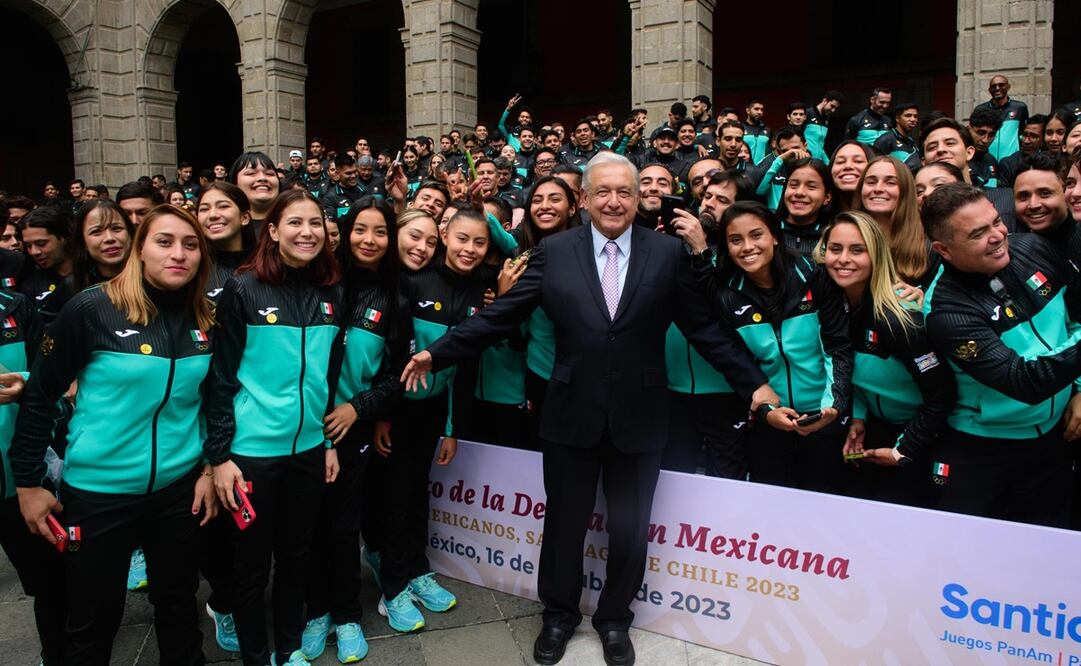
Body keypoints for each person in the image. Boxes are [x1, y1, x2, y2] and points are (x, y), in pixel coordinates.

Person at [402, 153, 777, 666]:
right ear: (585, 198)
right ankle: (558, 615)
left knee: (630, 525)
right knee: (564, 524)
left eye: (625, 190)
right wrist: (435, 352)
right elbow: (503, 314)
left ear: (637, 195)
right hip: (569, 415)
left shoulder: (666, 254)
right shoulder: (555, 251)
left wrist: (754, 385)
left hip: (641, 417)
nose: (614, 201)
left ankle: (615, 619)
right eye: (602, 191)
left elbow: (703, 329)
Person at [12, 205, 217, 664]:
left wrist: (208, 465)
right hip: (99, 494)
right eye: (164, 242)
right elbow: (40, 395)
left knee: (180, 611)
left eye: (190, 245)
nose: (178, 254)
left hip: (177, 491)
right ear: (140, 248)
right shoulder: (91, 309)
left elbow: (210, 401)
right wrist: (27, 483)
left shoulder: (205, 317)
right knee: (92, 621)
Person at [205, 189, 344, 666]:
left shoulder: (332, 291)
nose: (307, 233)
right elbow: (219, 380)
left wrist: (326, 442)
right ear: (273, 230)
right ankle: (256, 657)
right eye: (295, 223)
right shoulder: (242, 289)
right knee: (249, 566)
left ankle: (288, 651)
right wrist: (219, 457)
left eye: (315, 224)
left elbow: (328, 377)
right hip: (251, 455)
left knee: (296, 557)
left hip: (307, 450)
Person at [920, 183, 1081, 527]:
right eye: (978, 233)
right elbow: (1025, 382)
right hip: (984, 448)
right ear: (943, 250)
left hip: (1055, 438)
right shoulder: (947, 311)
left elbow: (1077, 316)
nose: (997, 236)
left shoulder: (1034, 247)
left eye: (996, 222)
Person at [301, 197, 410, 663]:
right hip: (302, 430)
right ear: (344, 233)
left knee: (345, 530)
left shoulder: (393, 295)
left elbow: (396, 377)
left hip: (351, 430)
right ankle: (315, 610)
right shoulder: (317, 283)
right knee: (306, 530)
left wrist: (356, 409)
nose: (369, 240)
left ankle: (347, 615)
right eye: (360, 230)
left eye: (380, 231)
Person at [375, 207, 492, 634]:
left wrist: (452, 429)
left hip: (433, 412)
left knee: (419, 495)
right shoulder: (411, 279)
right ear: (445, 235)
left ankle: (416, 570)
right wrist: (381, 417)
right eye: (462, 239)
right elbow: (387, 356)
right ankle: (392, 589)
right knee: (395, 499)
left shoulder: (483, 288)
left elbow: (467, 366)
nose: (470, 249)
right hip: (397, 410)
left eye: (479, 243)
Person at [710, 200, 852, 494]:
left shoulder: (815, 274)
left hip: (824, 417)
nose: (747, 246)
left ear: (775, 235)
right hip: (770, 423)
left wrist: (833, 408)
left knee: (823, 507)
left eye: (756, 235)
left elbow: (837, 348)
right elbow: (741, 364)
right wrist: (768, 412)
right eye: (735, 240)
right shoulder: (727, 295)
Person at [819, 212, 955, 506]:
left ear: (877, 255)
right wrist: (858, 417)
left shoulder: (900, 318)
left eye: (857, 250)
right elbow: (849, 371)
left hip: (919, 432)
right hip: (873, 424)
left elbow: (941, 394)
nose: (843, 259)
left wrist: (904, 449)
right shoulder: (831, 304)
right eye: (835, 249)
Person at [0, 287, 64, 665]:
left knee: (51, 583)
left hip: (18, 478)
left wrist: (24, 380)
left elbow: (53, 373)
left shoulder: (14, 305)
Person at [855, 156, 937, 286]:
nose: (878, 188)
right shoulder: (842, 238)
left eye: (891, 183)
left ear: (906, 190)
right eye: (871, 182)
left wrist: (921, 296)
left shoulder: (929, 248)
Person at [20, 205, 75, 325]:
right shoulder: (30, 285)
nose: (34, 252)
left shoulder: (94, 274)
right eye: (28, 246)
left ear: (63, 237)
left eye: (41, 243)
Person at [68, 199, 134, 292]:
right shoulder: (71, 288)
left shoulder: (153, 280)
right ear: (83, 242)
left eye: (116, 228)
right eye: (96, 232)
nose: (109, 238)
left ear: (130, 234)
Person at [775, 157, 834, 256]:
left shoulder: (832, 237)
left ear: (827, 197)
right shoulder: (769, 230)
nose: (799, 192)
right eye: (793, 185)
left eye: (811, 187)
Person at [973, 74, 1029, 162]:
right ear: (989, 90)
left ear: (1008, 87)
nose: (997, 88)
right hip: (986, 160)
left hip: (1011, 161)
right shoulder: (981, 109)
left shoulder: (1019, 108)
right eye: (993, 86)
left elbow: (1023, 133)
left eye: (1001, 85)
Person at [751, 126, 808, 209]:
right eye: (785, 151)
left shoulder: (814, 168)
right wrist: (780, 160)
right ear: (779, 151)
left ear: (805, 146)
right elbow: (759, 190)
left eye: (795, 148)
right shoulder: (774, 167)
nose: (791, 153)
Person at [229, 151, 281, 239]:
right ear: (235, 183)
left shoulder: (295, 222)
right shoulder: (226, 228)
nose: (262, 178)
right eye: (251, 173)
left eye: (269, 174)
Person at [998, 114, 1047, 188]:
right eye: (1025, 135)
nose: (1026, 141)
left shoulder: (1052, 161)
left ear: (1044, 138)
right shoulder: (1008, 164)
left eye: (1033, 136)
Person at [873, 101, 921, 171]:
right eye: (908, 116)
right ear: (897, 118)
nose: (913, 119)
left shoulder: (911, 141)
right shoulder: (886, 139)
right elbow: (875, 166)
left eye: (915, 116)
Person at [829, 140, 873, 212]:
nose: (848, 166)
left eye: (858, 161)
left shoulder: (885, 216)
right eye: (840, 162)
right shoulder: (819, 218)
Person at [966, 107, 1002, 187]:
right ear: (969, 129)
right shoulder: (957, 158)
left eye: (991, 135)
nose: (985, 140)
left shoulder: (991, 160)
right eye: (981, 133)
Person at [804, 90, 843, 162]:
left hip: (818, 161)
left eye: (835, 108)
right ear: (825, 101)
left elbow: (820, 145)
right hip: (806, 160)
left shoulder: (827, 119)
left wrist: (828, 163)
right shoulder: (807, 113)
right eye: (832, 106)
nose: (833, 110)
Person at [742, 98, 770, 165]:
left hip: (762, 170)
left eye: (761, 110)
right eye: (756, 109)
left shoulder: (767, 130)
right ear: (748, 111)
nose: (760, 112)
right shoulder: (740, 128)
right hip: (744, 168)